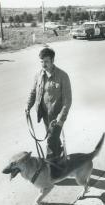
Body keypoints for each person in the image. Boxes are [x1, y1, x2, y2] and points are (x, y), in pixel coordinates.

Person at [25, 47, 72, 177]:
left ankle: (50, 171)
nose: (43, 64)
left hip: (57, 117)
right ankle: (60, 156)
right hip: (44, 114)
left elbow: (67, 101)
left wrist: (60, 118)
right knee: (54, 140)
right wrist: (28, 106)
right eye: (41, 62)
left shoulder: (63, 76)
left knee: (50, 142)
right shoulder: (39, 75)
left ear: (52, 60)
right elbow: (33, 92)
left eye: (46, 61)